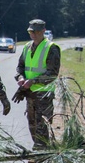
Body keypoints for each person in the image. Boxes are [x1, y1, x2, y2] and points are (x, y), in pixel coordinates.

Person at [14, 19, 61, 150]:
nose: (33, 34)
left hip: (43, 96)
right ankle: (39, 155)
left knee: (42, 128)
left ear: (43, 31)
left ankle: (41, 158)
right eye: (31, 31)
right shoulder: (27, 47)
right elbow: (20, 67)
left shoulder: (51, 48)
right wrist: (20, 77)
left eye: (36, 31)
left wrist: (33, 81)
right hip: (29, 94)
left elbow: (52, 73)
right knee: (32, 126)